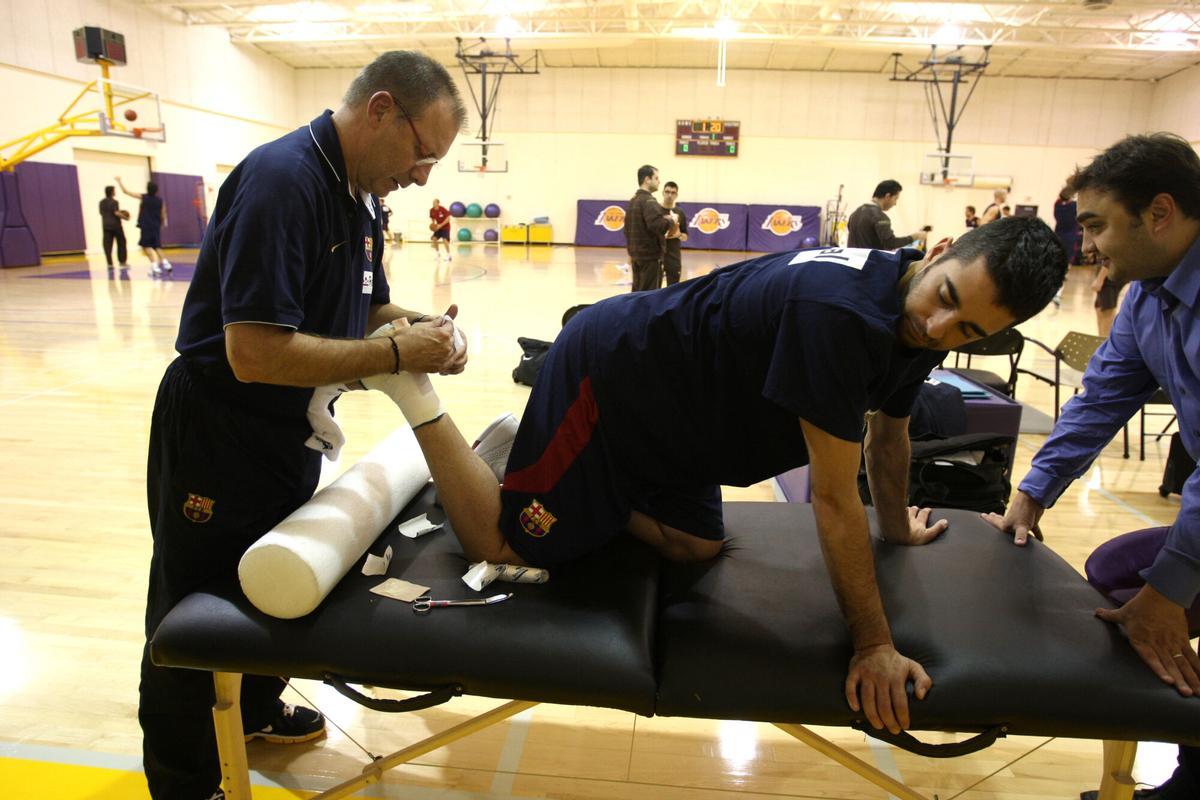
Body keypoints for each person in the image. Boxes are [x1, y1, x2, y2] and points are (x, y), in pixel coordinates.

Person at [352, 216, 1067, 739]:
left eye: (967, 330)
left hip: (676, 430)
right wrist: (874, 642)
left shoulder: (909, 311)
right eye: (944, 296)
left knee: (694, 546)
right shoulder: (841, 314)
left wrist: (897, 527)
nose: (939, 327)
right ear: (939, 251)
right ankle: (429, 408)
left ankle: (556, 468)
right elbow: (830, 497)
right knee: (506, 545)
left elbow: (892, 433)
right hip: (610, 379)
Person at [138, 50, 468, 800]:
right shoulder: (283, 181)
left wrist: (423, 329)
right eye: (423, 153)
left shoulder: (360, 196)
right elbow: (252, 351)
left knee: (272, 582)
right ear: (381, 109)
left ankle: (250, 709)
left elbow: (368, 308)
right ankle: (184, 781)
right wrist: (391, 352)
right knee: (193, 610)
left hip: (291, 427)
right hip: (220, 430)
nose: (423, 175)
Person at [982, 133, 1200, 800]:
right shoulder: (1145, 296)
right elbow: (1101, 397)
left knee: (1155, 592)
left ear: (1159, 213)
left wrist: (1171, 591)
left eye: (1100, 226)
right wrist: (1033, 492)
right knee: (1114, 574)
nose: (1090, 246)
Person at [623, 164, 677, 291]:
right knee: (649, 297)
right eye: (656, 178)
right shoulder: (649, 201)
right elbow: (657, 226)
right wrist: (670, 221)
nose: (659, 182)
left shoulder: (633, 200)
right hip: (650, 257)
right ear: (647, 179)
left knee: (637, 294)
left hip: (636, 256)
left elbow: (626, 229)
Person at [846, 180, 928, 250]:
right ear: (888, 196)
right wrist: (914, 237)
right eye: (895, 199)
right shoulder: (879, 217)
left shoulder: (855, 213)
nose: (895, 203)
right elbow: (890, 244)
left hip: (850, 265)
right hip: (870, 265)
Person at [116, 176, 171, 276]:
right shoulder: (160, 200)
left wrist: (119, 181)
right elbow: (163, 214)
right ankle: (166, 264)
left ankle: (155, 266)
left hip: (146, 225)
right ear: (156, 190)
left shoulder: (143, 197)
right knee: (157, 246)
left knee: (146, 246)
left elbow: (126, 192)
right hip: (156, 226)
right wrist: (162, 224)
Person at [660, 180, 688, 286]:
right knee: (653, 289)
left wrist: (679, 235)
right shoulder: (655, 210)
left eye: (672, 193)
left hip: (673, 256)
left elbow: (685, 236)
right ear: (663, 193)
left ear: (676, 195)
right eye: (667, 192)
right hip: (657, 255)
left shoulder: (680, 213)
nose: (669, 195)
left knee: (673, 288)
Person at [99, 185, 130, 277]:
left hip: (105, 225)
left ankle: (109, 264)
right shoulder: (114, 202)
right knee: (121, 242)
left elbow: (101, 213)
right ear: (112, 192)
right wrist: (125, 217)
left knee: (107, 245)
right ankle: (122, 262)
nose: (115, 192)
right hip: (116, 225)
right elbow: (116, 213)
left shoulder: (101, 202)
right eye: (114, 190)